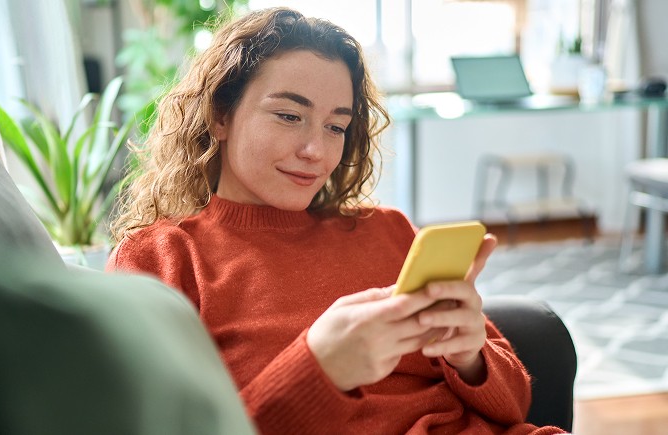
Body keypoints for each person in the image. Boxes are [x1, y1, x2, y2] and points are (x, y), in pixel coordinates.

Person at [107, 7, 566, 435]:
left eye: (335, 127)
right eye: (289, 116)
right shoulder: (162, 259)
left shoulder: (388, 231)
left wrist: (470, 358)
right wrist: (317, 370)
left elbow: (516, 407)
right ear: (220, 115)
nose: (316, 151)